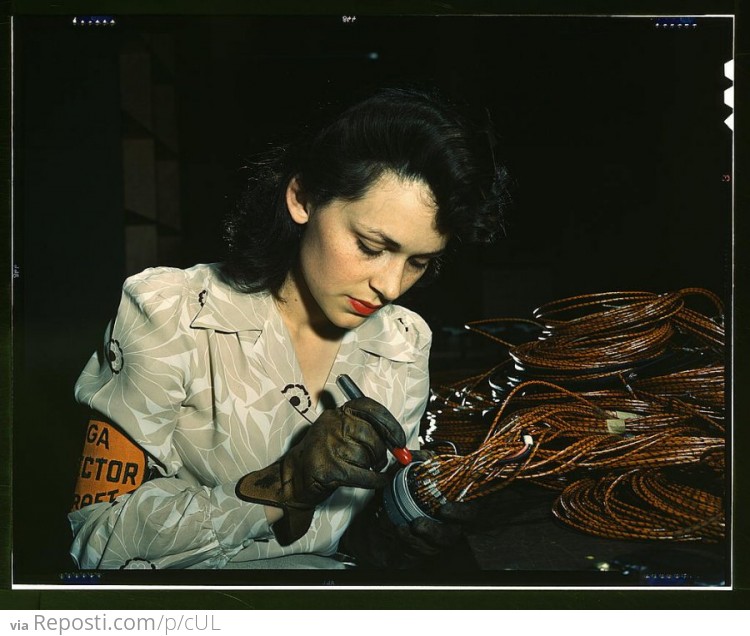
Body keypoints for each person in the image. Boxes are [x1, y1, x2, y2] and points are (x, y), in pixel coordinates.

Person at [68, 86, 509, 570]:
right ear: (302, 198)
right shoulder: (171, 311)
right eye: (370, 245)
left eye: (419, 262)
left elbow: (357, 535)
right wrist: (283, 486)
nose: (391, 286)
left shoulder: (403, 342)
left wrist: (408, 522)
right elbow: (95, 541)